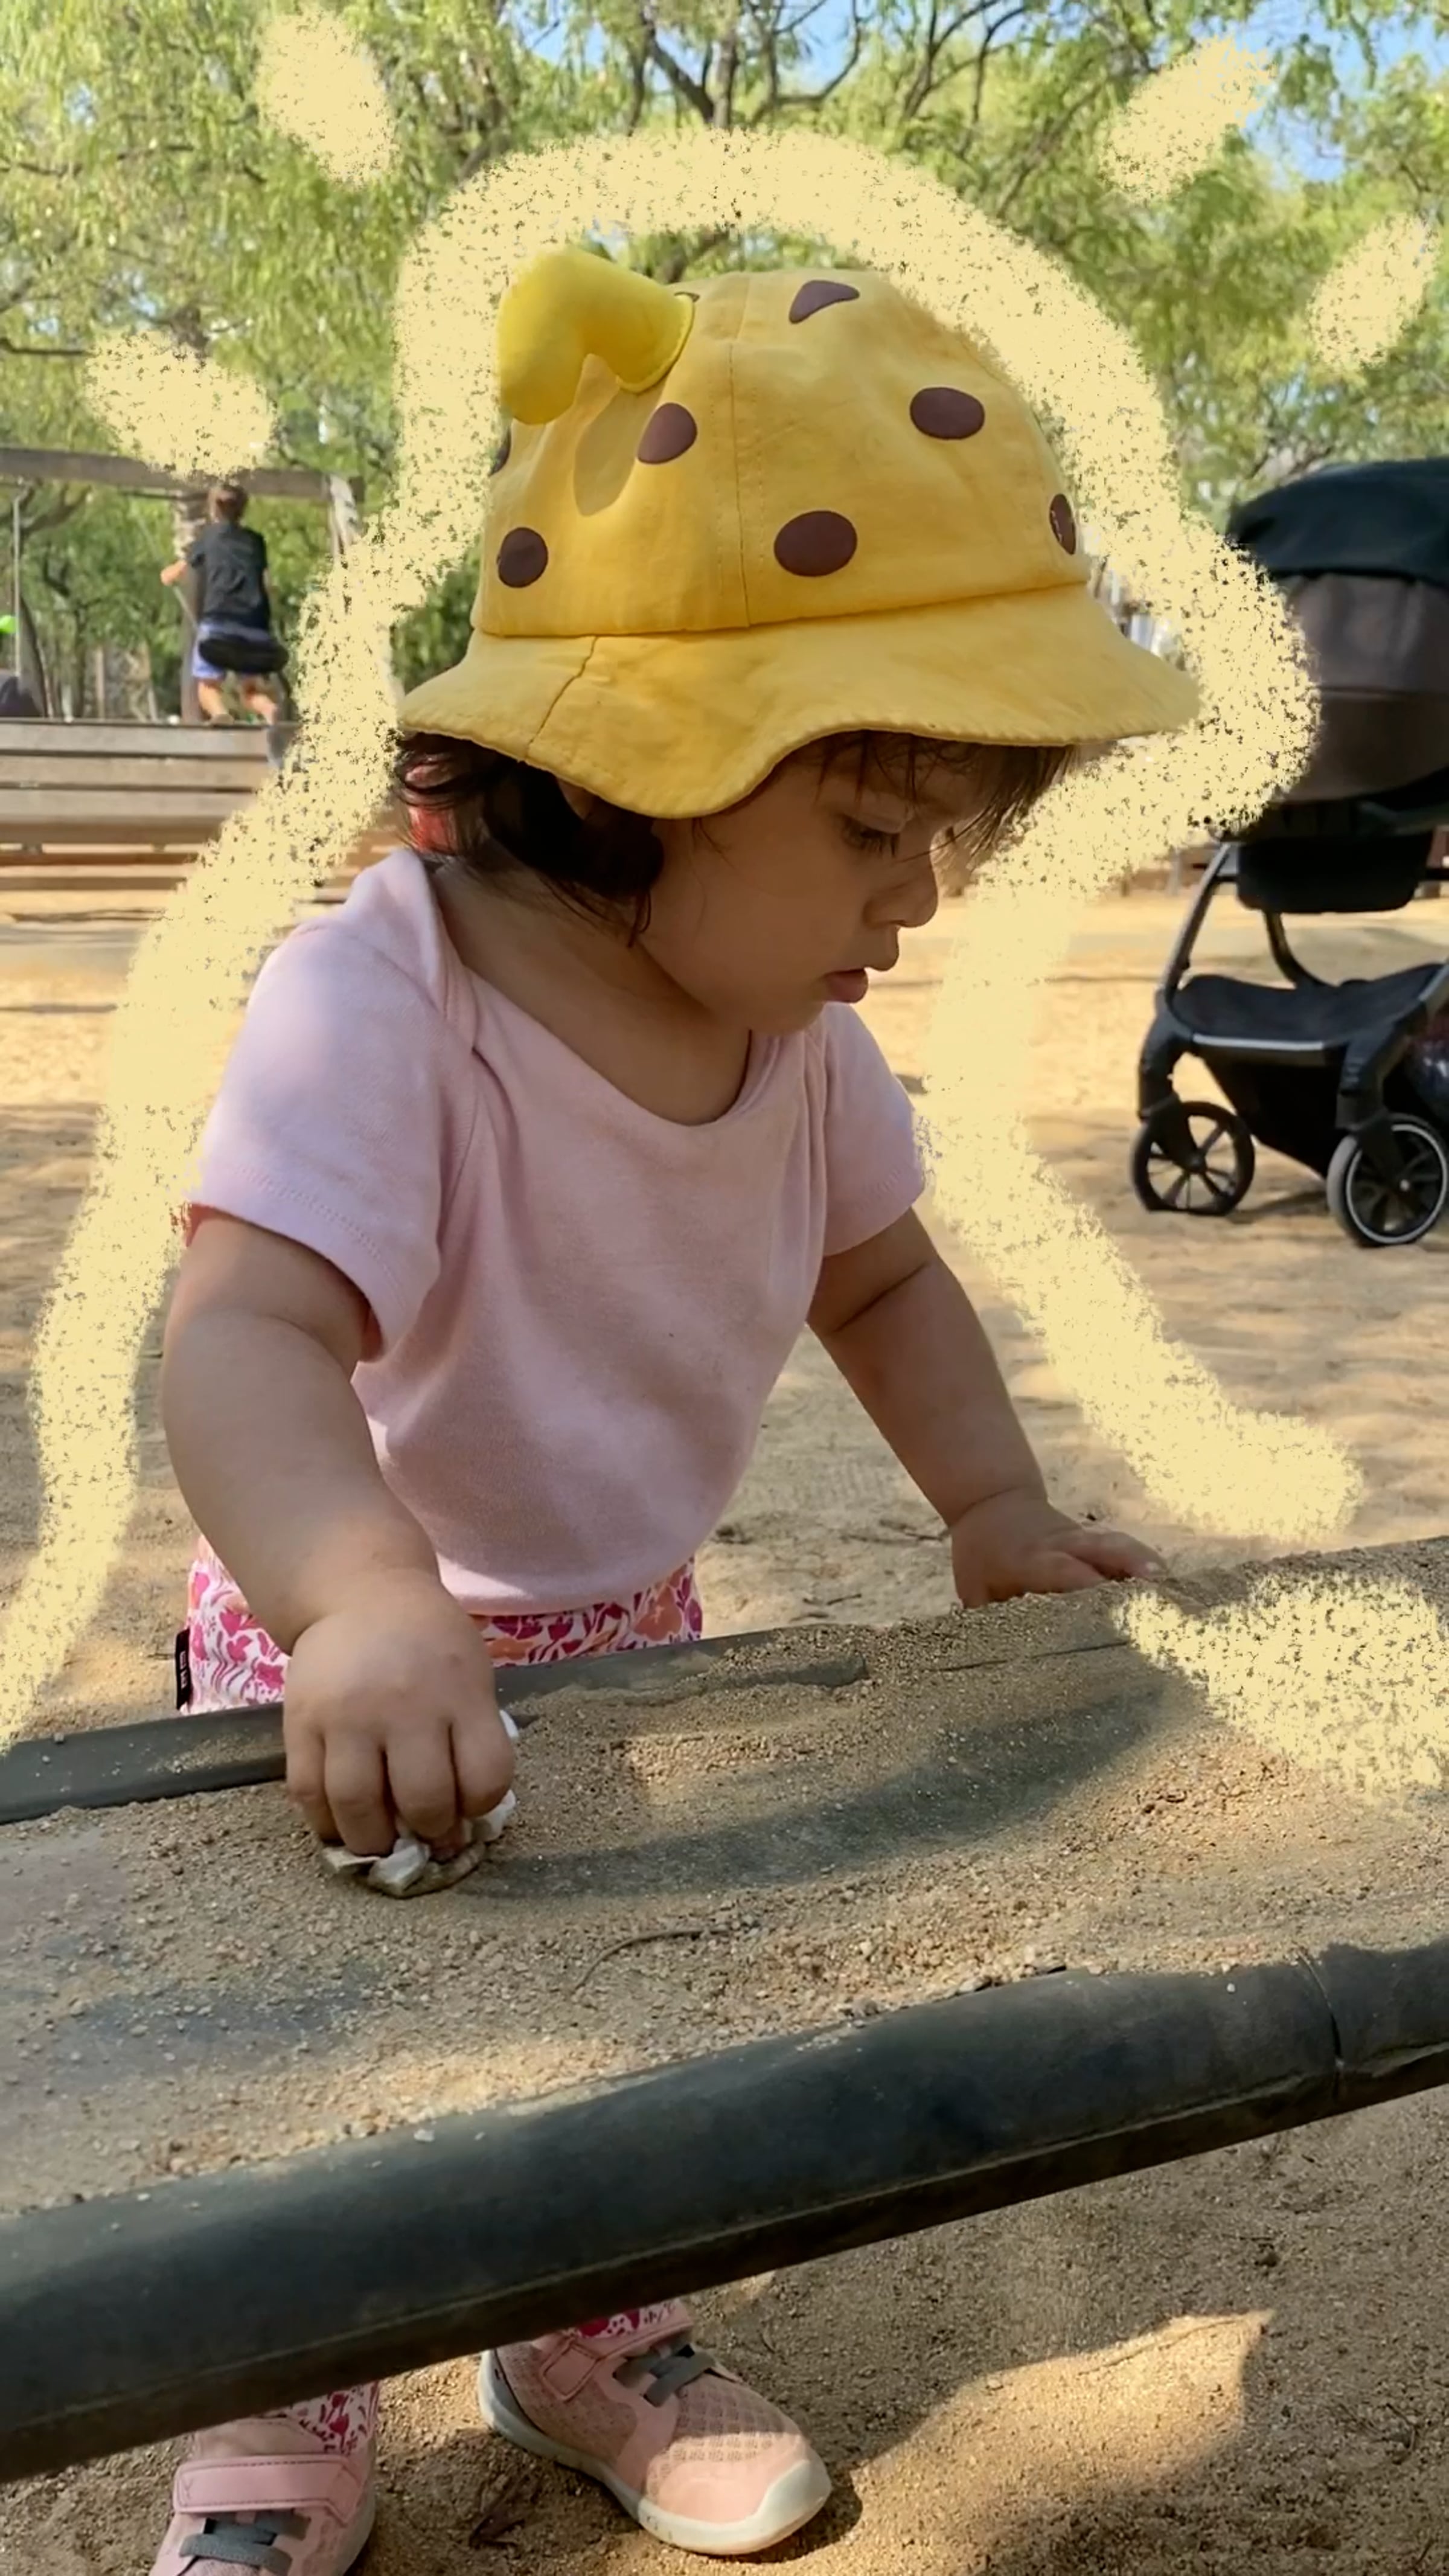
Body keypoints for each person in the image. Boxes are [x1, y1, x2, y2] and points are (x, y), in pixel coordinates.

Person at [152, 250, 1195, 2576]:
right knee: (327, 2039)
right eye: (878, 829)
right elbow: (244, 1331)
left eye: (945, 842)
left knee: (619, 2005)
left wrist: (995, 1501)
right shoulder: (385, 1002)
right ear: (646, 758)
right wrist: (360, 1597)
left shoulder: (797, 1046)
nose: (920, 899)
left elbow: (883, 1273)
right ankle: (277, 2386)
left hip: (627, 1620)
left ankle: (586, 2330)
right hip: (342, 1640)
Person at [161, 481, 284, 726]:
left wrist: (167, 575)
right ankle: (269, 710)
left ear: (213, 509)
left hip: (219, 621)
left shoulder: (209, 537)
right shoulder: (256, 541)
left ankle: (219, 714)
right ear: (243, 510)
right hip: (255, 623)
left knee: (208, 687)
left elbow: (180, 569)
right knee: (250, 690)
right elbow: (267, 583)